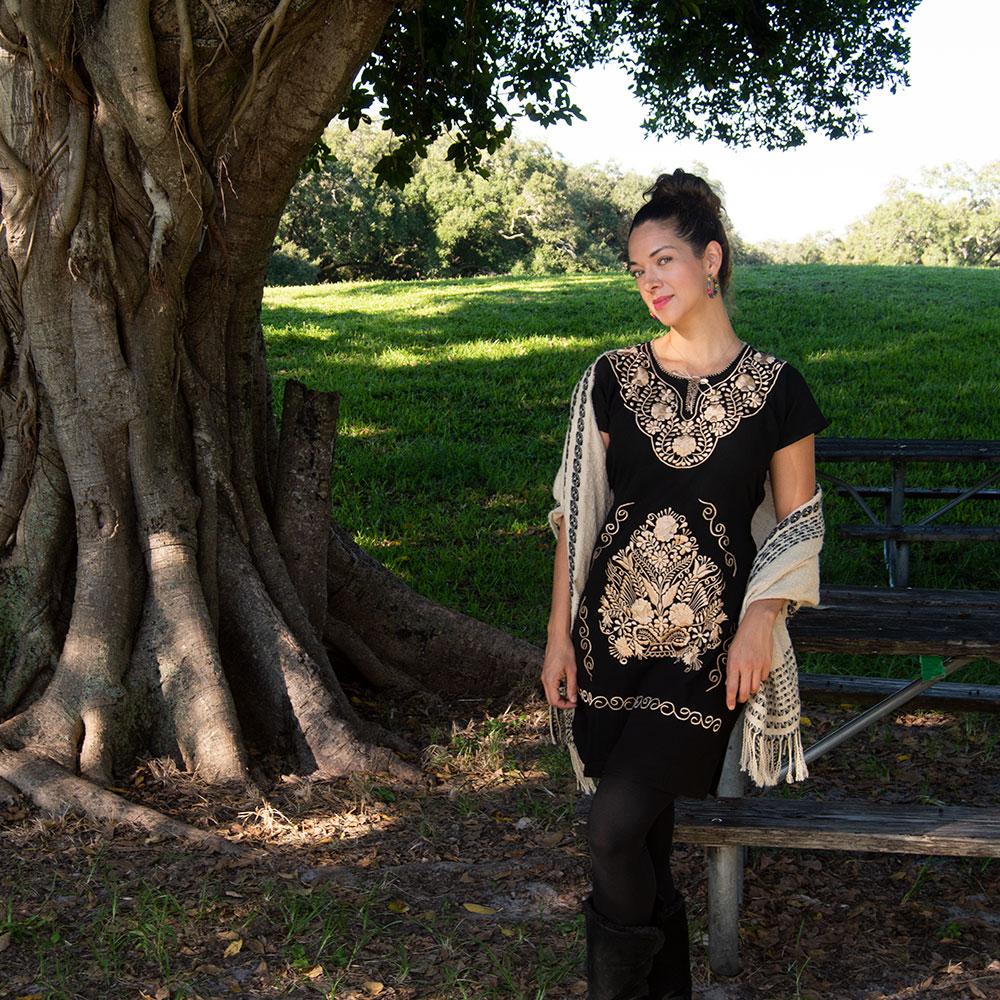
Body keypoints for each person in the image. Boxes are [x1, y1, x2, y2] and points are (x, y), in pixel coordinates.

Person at [540, 169, 829, 1000]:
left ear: (712, 259)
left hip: (704, 656)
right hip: (609, 644)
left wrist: (758, 625)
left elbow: (800, 524)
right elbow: (574, 513)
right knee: (641, 846)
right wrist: (559, 635)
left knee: (611, 830)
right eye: (637, 270)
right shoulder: (608, 377)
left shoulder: (778, 391)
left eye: (663, 260)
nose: (651, 282)